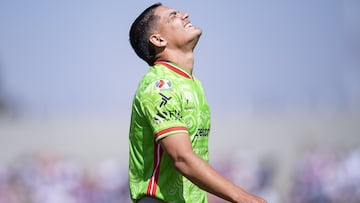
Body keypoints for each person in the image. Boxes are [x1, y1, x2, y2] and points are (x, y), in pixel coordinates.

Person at [128, 3, 267, 203]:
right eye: (173, 15)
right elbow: (182, 158)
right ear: (158, 39)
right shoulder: (160, 86)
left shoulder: (193, 84)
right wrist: (244, 198)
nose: (185, 14)